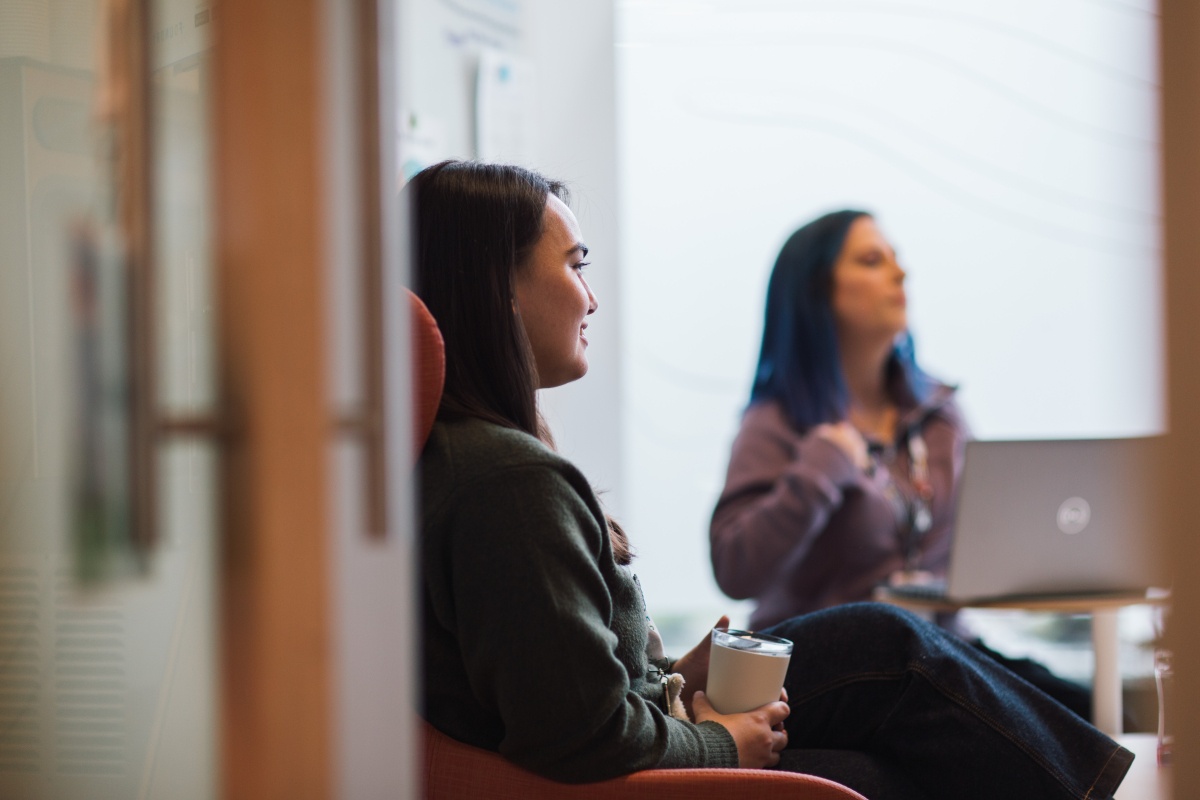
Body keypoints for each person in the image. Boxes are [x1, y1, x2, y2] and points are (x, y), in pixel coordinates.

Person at [412, 161, 1132, 799]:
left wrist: (677, 672)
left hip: (898, 645)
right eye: (576, 267)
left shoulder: (939, 413)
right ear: (500, 289)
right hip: (643, 756)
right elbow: (581, 728)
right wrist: (722, 743)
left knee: (952, 701)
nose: (593, 299)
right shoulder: (510, 482)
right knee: (890, 656)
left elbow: (567, 677)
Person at [709, 209, 1094, 721]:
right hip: (840, 669)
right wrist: (820, 470)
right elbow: (735, 570)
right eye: (872, 261)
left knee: (1091, 713)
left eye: (897, 260)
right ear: (818, 292)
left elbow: (985, 543)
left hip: (943, 653)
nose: (900, 273)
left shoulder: (942, 415)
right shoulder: (778, 423)